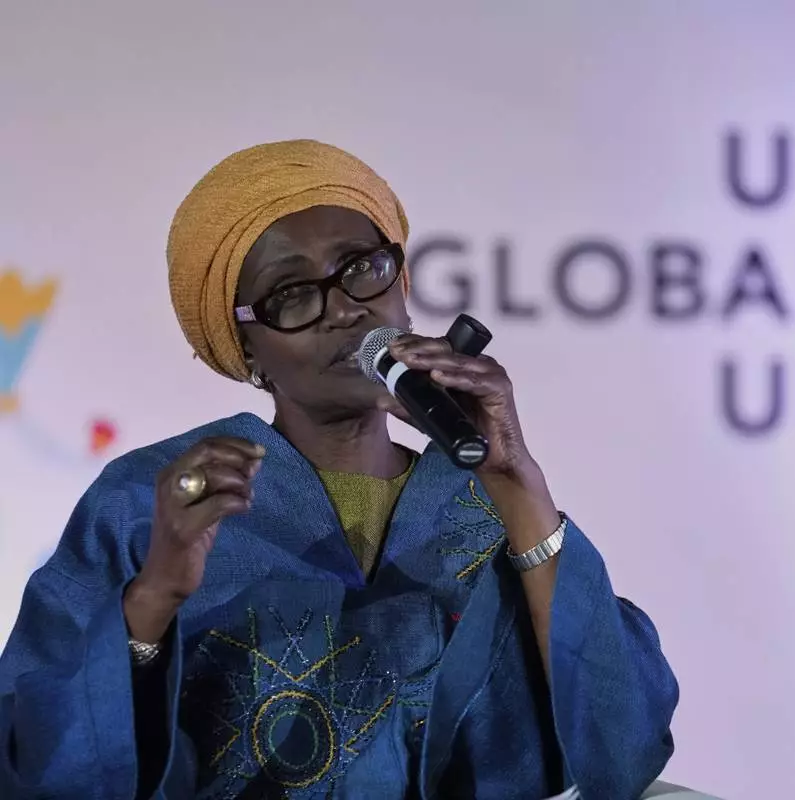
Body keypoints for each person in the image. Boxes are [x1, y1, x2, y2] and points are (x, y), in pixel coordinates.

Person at [0, 140, 678, 799]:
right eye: (291, 294)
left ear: (402, 285)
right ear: (247, 348)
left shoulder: (481, 508)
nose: (346, 306)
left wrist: (518, 484)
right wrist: (154, 598)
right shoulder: (154, 505)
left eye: (361, 267)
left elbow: (626, 750)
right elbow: (40, 768)